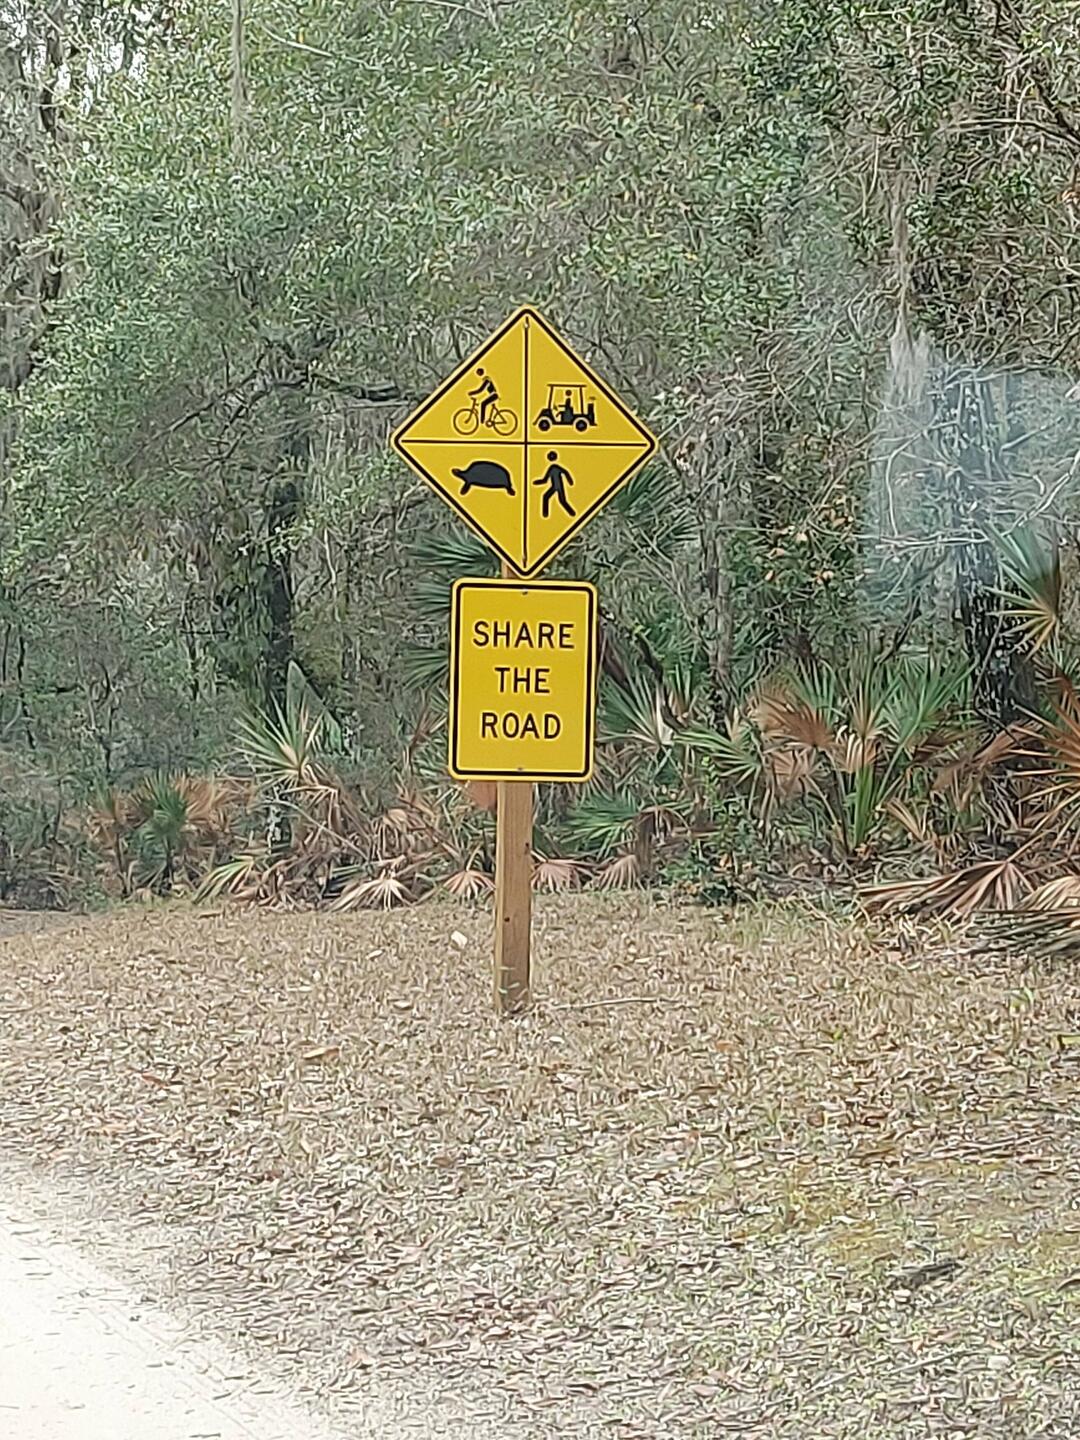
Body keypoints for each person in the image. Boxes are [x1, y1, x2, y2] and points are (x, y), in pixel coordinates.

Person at [534, 451, 575, 518]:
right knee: (546, 497)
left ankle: (572, 513)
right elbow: (545, 480)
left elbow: (565, 472)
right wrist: (537, 482)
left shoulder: (555, 467)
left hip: (559, 487)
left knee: (562, 501)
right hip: (554, 486)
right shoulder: (551, 468)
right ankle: (545, 514)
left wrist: (570, 481)